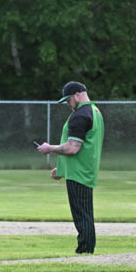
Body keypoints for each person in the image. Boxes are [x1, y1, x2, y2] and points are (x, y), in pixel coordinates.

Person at [36, 81, 104, 254]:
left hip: (78, 173)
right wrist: (61, 170)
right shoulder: (95, 111)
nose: (68, 104)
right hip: (85, 170)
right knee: (85, 213)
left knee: (81, 216)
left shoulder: (80, 115)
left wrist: (49, 148)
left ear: (77, 95)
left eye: (68, 100)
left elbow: (73, 148)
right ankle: (87, 249)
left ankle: (85, 250)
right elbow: (85, 147)